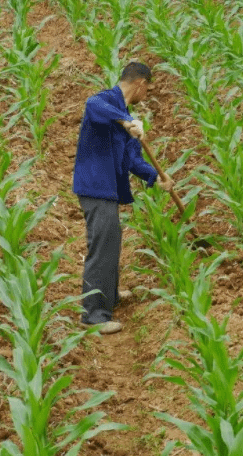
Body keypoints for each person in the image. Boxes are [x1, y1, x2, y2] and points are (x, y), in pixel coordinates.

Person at [72, 62, 173, 335]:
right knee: (102, 248)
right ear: (140, 83)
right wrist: (126, 121)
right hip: (95, 187)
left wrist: (158, 176)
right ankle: (93, 315)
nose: (147, 94)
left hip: (109, 190)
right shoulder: (106, 102)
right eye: (148, 89)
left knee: (111, 243)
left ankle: (110, 294)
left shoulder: (127, 119)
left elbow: (133, 160)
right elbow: (92, 105)